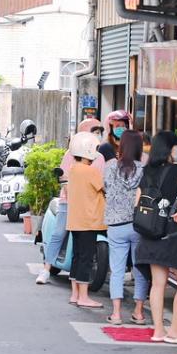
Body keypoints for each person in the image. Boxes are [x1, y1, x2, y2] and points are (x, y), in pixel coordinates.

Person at [135, 131, 177, 344]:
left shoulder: (146, 172)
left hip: (149, 233)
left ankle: (158, 331)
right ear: (170, 149)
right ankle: (175, 330)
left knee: (158, 283)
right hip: (171, 233)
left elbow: (137, 203)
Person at [35, 118, 106, 284]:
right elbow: (65, 180)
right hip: (69, 201)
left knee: (84, 244)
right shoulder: (70, 155)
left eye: (99, 132)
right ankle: (46, 269)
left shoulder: (100, 158)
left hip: (89, 205)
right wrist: (74, 198)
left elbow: (101, 184)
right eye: (94, 131)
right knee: (59, 232)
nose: (97, 135)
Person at [103, 130, 148, 325]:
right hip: (139, 224)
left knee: (117, 269)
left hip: (116, 224)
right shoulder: (144, 169)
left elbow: (105, 187)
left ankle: (116, 313)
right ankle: (138, 312)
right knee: (140, 268)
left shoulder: (111, 166)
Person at [64, 131, 107, 308]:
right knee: (86, 259)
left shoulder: (73, 170)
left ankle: (75, 294)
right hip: (89, 221)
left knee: (77, 256)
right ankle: (83, 296)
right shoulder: (92, 172)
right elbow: (105, 190)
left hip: (75, 220)